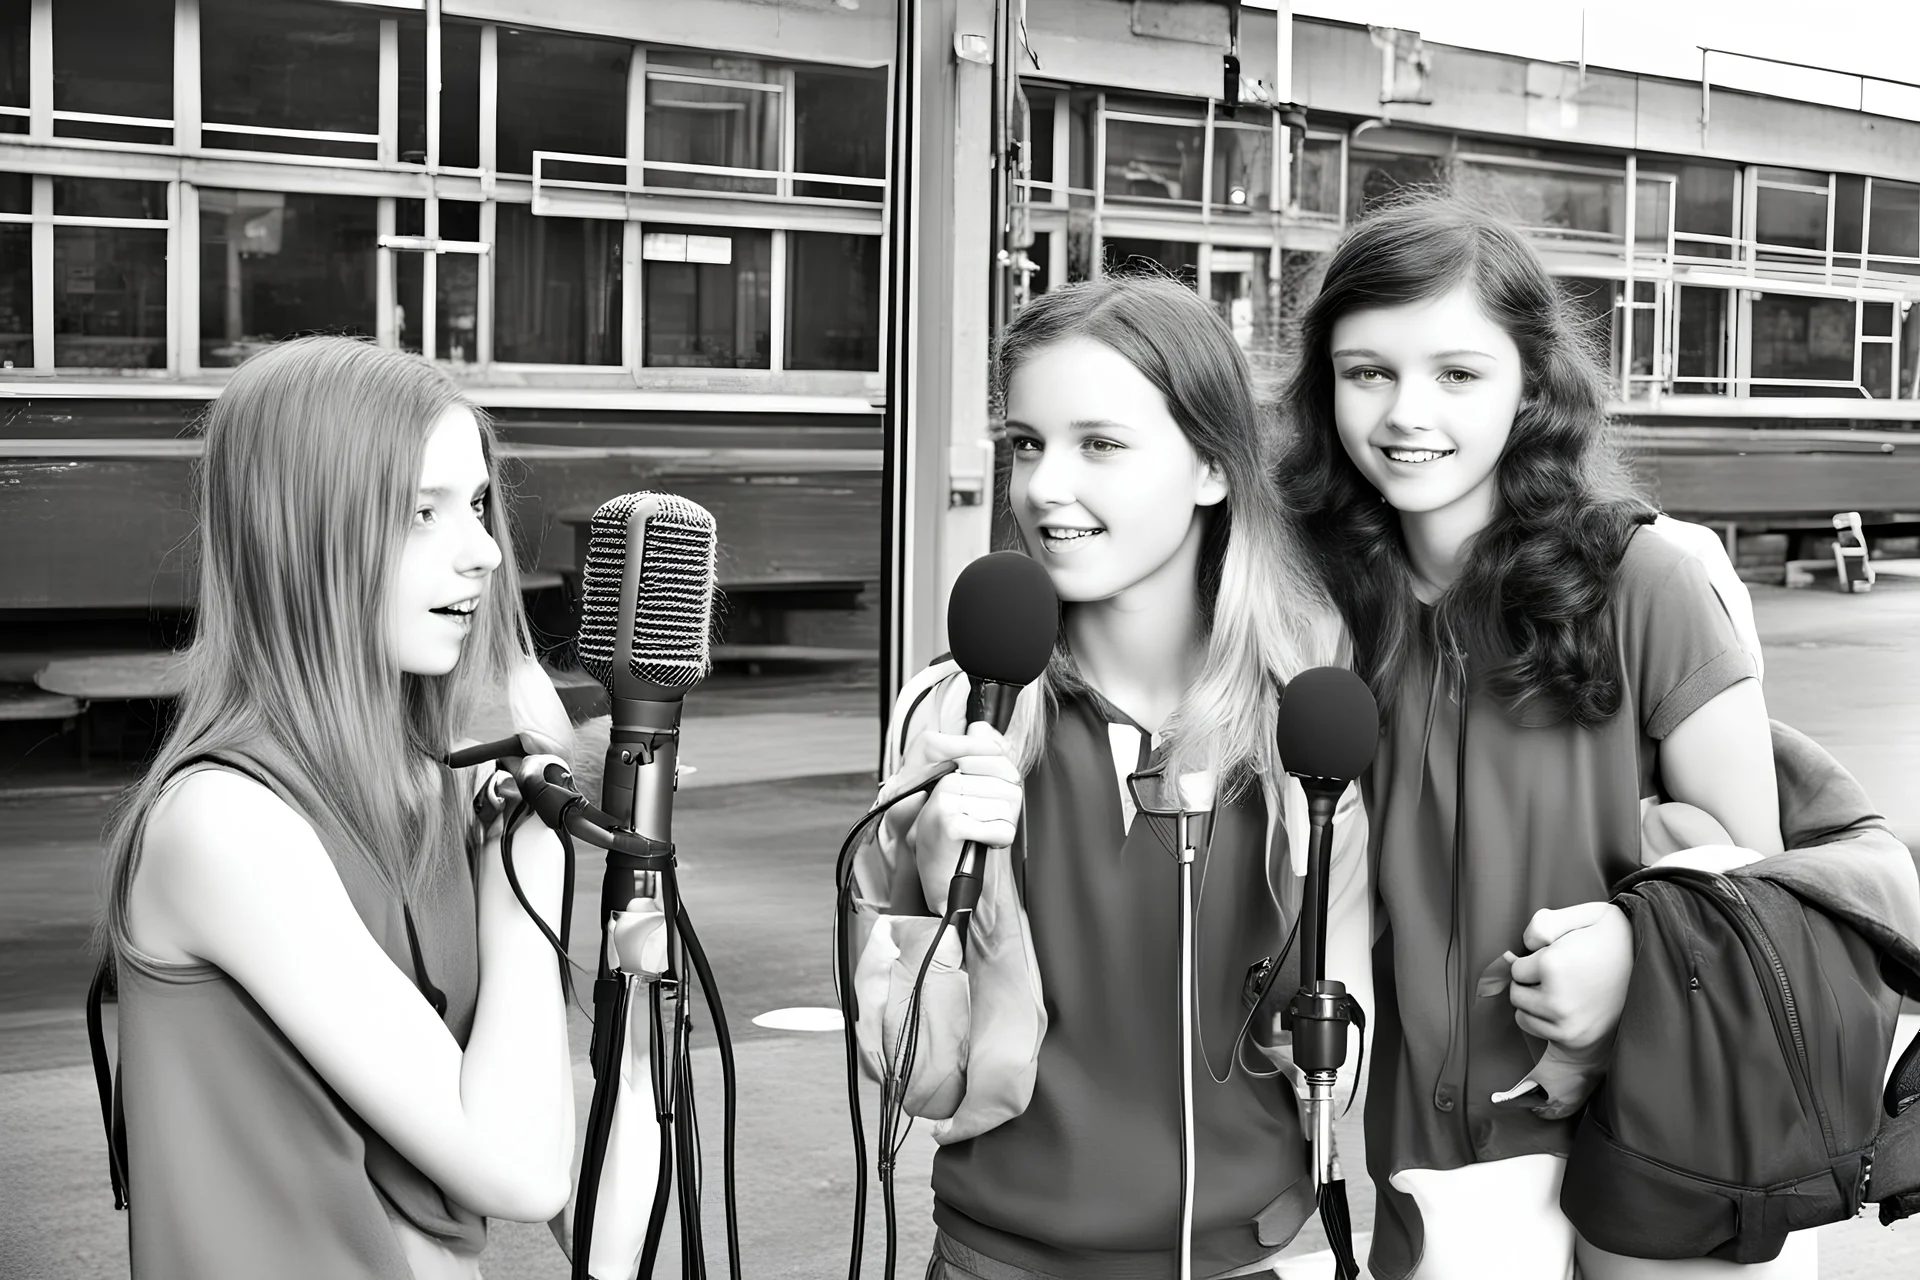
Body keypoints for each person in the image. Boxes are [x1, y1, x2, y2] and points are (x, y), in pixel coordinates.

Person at [1274, 196, 1916, 1280]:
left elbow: (1746, 882)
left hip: (1671, 1127)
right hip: (1442, 1152)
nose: (1405, 411)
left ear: (1533, 382)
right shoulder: (1317, 602)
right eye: (1365, 370)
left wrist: (1616, 970)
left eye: (1458, 373)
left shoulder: (1650, 581)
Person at [853, 275, 1368, 1280]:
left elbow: (1330, 1082)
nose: (1045, 485)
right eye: (1026, 443)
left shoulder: (1304, 719)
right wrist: (932, 883)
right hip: (997, 1259)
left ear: (1213, 468)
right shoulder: (956, 716)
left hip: (1238, 1256)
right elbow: (921, 1075)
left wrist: (1312, 891)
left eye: (1100, 443)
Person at [95, 336, 578, 1278]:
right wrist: (535, 854)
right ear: (301, 540)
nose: (484, 551)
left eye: (477, 504)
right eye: (419, 513)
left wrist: (637, 1025)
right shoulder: (225, 824)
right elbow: (518, 1176)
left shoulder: (435, 790)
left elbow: (593, 1218)